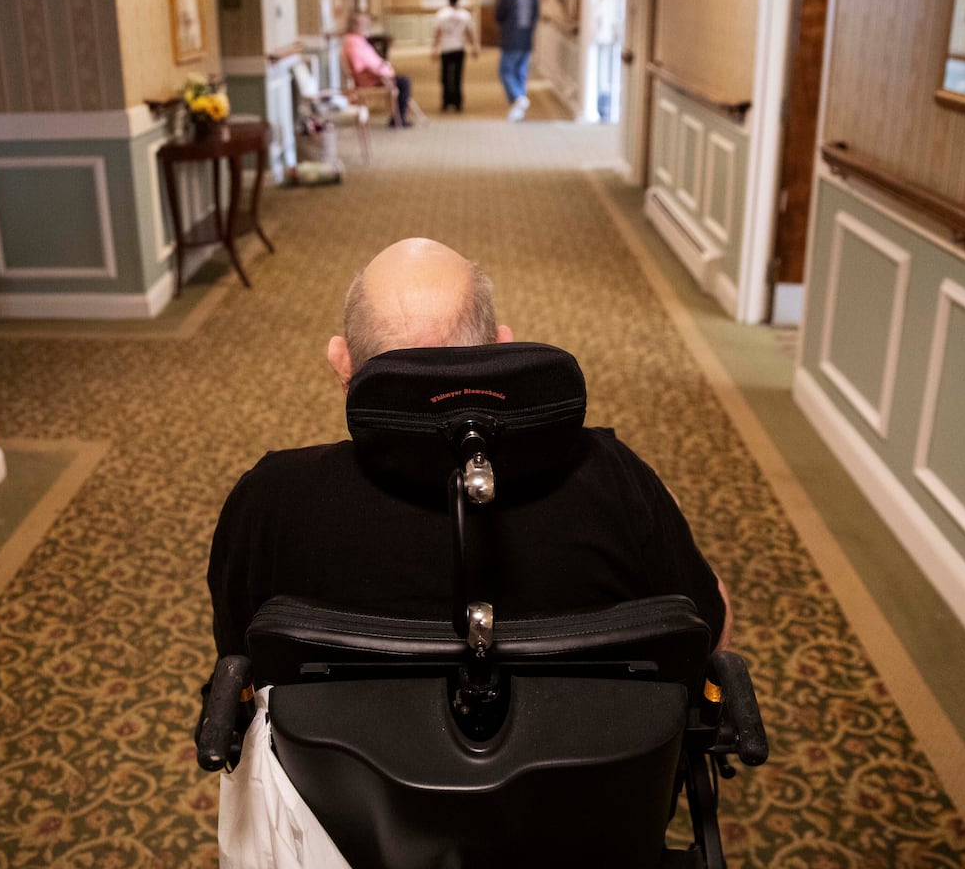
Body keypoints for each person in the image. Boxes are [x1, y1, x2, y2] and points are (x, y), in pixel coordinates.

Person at [207, 237, 732, 660]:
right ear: (500, 347)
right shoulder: (614, 479)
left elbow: (239, 661)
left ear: (342, 366)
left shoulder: (270, 501)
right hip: (578, 789)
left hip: (335, 789)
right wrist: (657, 509)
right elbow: (709, 637)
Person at [343, 12, 412, 127]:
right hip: (372, 79)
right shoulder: (353, 43)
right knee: (404, 83)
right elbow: (362, 67)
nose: (367, 27)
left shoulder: (358, 40)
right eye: (364, 25)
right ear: (355, 26)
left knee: (402, 81)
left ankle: (398, 117)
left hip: (378, 74)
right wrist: (383, 73)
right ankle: (398, 119)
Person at [495, 0, 540, 121]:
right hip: (526, 40)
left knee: (505, 71)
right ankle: (519, 108)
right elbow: (535, 16)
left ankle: (518, 97)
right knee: (520, 72)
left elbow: (499, 16)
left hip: (511, 41)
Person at [431, 0, 479, 112]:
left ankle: (446, 102)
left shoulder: (442, 14)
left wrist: (434, 49)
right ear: (458, 0)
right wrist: (474, 47)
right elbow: (469, 32)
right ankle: (458, 102)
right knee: (458, 76)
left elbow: (438, 33)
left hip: (446, 49)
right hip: (459, 48)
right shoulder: (464, 15)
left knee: (445, 76)